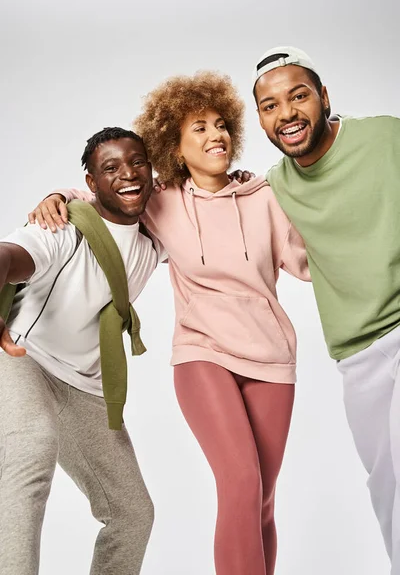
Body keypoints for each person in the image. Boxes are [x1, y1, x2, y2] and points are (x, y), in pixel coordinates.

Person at [28, 71, 310, 575]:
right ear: (174, 147)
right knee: (241, 482)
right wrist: (57, 196)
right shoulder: (162, 200)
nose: (215, 135)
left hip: (272, 359)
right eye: (198, 128)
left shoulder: (266, 197)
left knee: (263, 499)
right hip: (203, 356)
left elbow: (310, 264)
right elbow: (105, 198)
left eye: (221, 124)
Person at [251, 46, 400, 573]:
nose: (286, 113)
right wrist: (67, 196)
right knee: (385, 483)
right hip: (355, 353)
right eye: (269, 106)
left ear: (324, 97)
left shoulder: (386, 137)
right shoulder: (277, 186)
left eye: (298, 96)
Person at [0, 126, 165, 575]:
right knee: (31, 455)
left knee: (132, 514)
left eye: (136, 163)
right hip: (23, 358)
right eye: (109, 168)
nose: (127, 175)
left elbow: (196, 194)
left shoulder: (158, 235)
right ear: (92, 184)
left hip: (86, 386)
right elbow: (7, 256)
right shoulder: (64, 228)